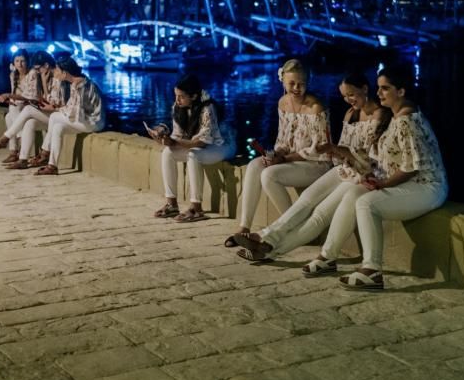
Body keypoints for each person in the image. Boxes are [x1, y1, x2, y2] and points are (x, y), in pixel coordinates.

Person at [231, 72, 390, 269]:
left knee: (319, 216)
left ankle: (268, 246)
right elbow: (343, 148)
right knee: (306, 199)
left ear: (365, 89)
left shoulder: (380, 115)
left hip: (361, 175)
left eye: (352, 94)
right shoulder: (350, 114)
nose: (348, 100)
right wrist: (333, 151)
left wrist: (332, 150)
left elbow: (369, 157)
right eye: (344, 96)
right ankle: (265, 240)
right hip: (343, 168)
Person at [340, 65, 448, 291]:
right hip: (411, 183)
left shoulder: (407, 120)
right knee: (355, 193)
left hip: (427, 187)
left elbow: (411, 168)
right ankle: (328, 254)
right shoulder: (398, 116)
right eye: (378, 88)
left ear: (401, 91)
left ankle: (371, 270)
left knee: (367, 204)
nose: (378, 94)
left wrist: (383, 184)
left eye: (385, 88)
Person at [223, 59, 332, 247]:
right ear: (283, 81)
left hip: (317, 164)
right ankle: (244, 227)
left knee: (269, 175)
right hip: (292, 160)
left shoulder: (315, 108)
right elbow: (283, 140)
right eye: (292, 83)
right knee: (256, 164)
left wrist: (283, 159)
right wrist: (274, 155)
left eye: (301, 83)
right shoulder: (283, 103)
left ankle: (295, 228)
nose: (297, 88)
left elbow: (319, 149)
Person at [151, 74, 236, 222]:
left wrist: (175, 142)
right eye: (176, 96)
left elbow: (202, 142)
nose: (177, 100)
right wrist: (166, 139)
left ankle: (196, 209)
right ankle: (172, 204)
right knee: (167, 153)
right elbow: (178, 135)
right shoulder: (178, 107)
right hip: (201, 145)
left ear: (194, 96)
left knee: (193, 155)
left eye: (181, 96)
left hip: (222, 145)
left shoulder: (207, 108)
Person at [32, 55, 106, 175]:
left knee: (54, 117)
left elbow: (75, 111)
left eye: (57, 70)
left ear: (65, 73)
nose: (55, 72)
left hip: (93, 121)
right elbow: (71, 108)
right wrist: (57, 108)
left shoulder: (82, 86)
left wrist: (55, 109)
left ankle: (45, 152)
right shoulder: (75, 83)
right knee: (57, 128)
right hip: (84, 119)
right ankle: (52, 165)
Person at [1, 52, 66, 169]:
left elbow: (53, 103)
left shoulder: (57, 78)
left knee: (28, 109)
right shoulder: (44, 76)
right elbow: (47, 99)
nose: (37, 71)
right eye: (17, 61)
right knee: (29, 123)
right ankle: (23, 159)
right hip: (50, 114)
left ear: (46, 66)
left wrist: (44, 84)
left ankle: (6, 137)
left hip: (58, 115)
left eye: (38, 69)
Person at [0, 49, 40, 160]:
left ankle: (16, 142)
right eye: (17, 61)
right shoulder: (13, 74)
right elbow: (16, 95)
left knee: (13, 110)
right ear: (13, 63)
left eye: (23, 61)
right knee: (8, 116)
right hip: (20, 106)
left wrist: (8, 95)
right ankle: (13, 151)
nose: (20, 64)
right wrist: (7, 99)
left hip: (33, 106)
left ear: (28, 61)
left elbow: (31, 97)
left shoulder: (32, 74)